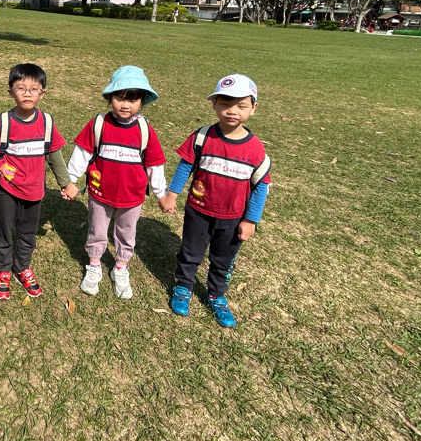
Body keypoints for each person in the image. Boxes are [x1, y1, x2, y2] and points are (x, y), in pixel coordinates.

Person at [160, 74, 272, 328]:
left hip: (233, 218)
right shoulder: (202, 137)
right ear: (214, 104)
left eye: (241, 105)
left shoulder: (256, 149)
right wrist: (172, 194)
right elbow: (185, 166)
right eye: (225, 103)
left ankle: (216, 295)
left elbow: (260, 187)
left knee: (223, 259)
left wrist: (250, 220)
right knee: (190, 252)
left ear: (253, 108)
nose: (232, 111)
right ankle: (183, 287)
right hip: (198, 211)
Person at [62, 66, 168, 299]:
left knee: (126, 233)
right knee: (97, 230)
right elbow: (82, 154)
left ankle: (120, 267)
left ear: (142, 102)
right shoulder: (98, 124)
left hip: (132, 196)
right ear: (110, 98)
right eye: (120, 98)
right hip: (100, 193)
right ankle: (94, 264)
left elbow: (154, 163)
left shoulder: (144, 130)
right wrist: (70, 181)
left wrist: (162, 193)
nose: (125, 105)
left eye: (133, 99)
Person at [0, 63, 74, 300]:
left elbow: (54, 156)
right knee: (4, 233)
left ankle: (22, 267)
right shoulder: (4, 123)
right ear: (11, 92)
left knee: (27, 235)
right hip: (6, 191)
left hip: (35, 192)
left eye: (34, 89)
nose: (28, 93)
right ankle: (3, 271)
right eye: (21, 88)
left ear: (43, 93)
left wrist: (66, 183)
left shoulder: (46, 123)